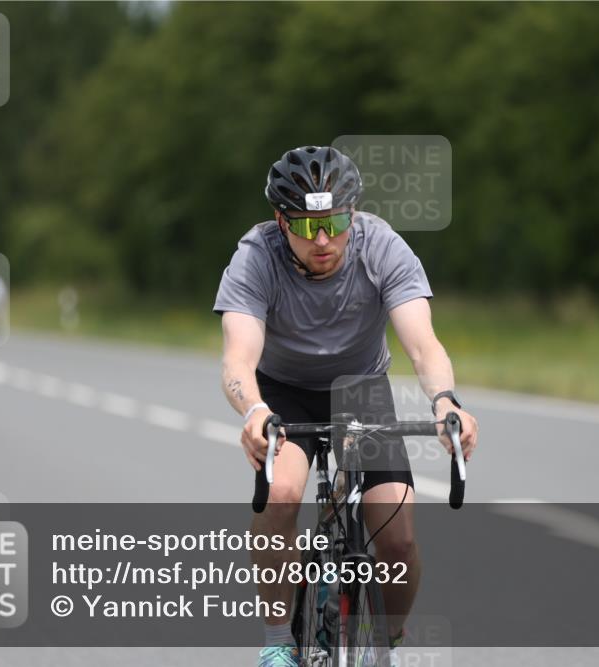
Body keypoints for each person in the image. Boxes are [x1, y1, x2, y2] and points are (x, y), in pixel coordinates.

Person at [214, 145, 479, 667]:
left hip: (360, 389)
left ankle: (391, 641)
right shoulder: (256, 256)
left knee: (398, 536)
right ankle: (276, 642)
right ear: (279, 219)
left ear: (351, 213)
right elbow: (238, 359)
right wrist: (253, 412)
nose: (322, 239)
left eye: (334, 222)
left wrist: (446, 401)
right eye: (306, 225)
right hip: (283, 391)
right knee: (283, 494)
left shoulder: (381, 246)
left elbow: (423, 345)